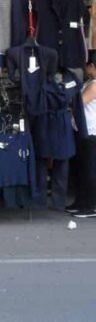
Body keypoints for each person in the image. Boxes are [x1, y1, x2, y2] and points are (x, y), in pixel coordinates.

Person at [72, 51, 96, 218]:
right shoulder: (89, 82)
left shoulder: (94, 85)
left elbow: (80, 104)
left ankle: (90, 206)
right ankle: (80, 202)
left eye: (87, 65)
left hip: (90, 131)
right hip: (82, 130)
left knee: (89, 169)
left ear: (92, 66)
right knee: (81, 168)